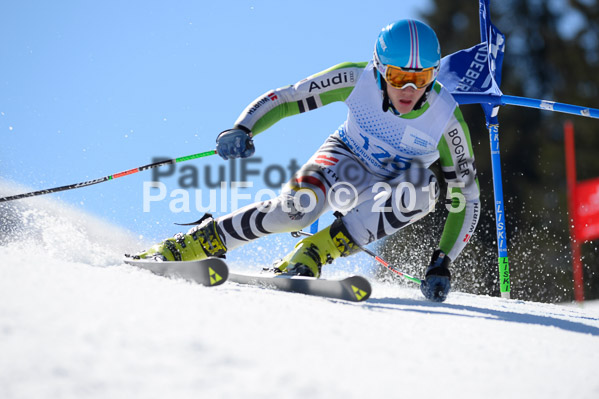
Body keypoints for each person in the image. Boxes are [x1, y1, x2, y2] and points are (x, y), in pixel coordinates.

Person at [134, 19, 480, 302]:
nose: (409, 89)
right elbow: (286, 99)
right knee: (295, 209)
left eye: (420, 78)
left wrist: (442, 261)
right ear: (378, 69)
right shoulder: (355, 79)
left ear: (433, 74)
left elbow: (466, 198)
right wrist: (243, 128)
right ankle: (194, 243)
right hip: (344, 160)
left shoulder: (446, 120)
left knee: (423, 189)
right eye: (397, 77)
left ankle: (314, 252)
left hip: (391, 187)